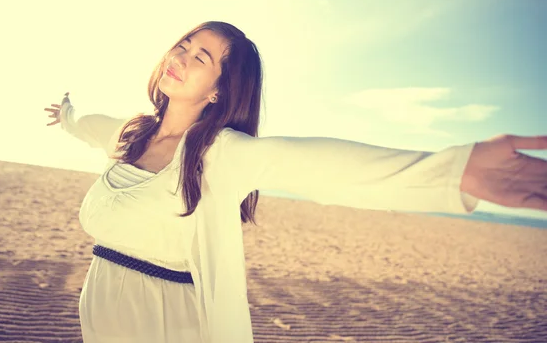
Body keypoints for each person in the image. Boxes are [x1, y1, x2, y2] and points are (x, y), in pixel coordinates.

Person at [44, 21, 547, 343]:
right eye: (183, 45)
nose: (181, 56)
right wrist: (66, 115)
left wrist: (455, 170)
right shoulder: (130, 134)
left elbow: (318, 165)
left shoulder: (218, 154)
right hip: (102, 308)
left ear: (220, 90)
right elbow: (87, 126)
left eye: (201, 57)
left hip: (168, 323)